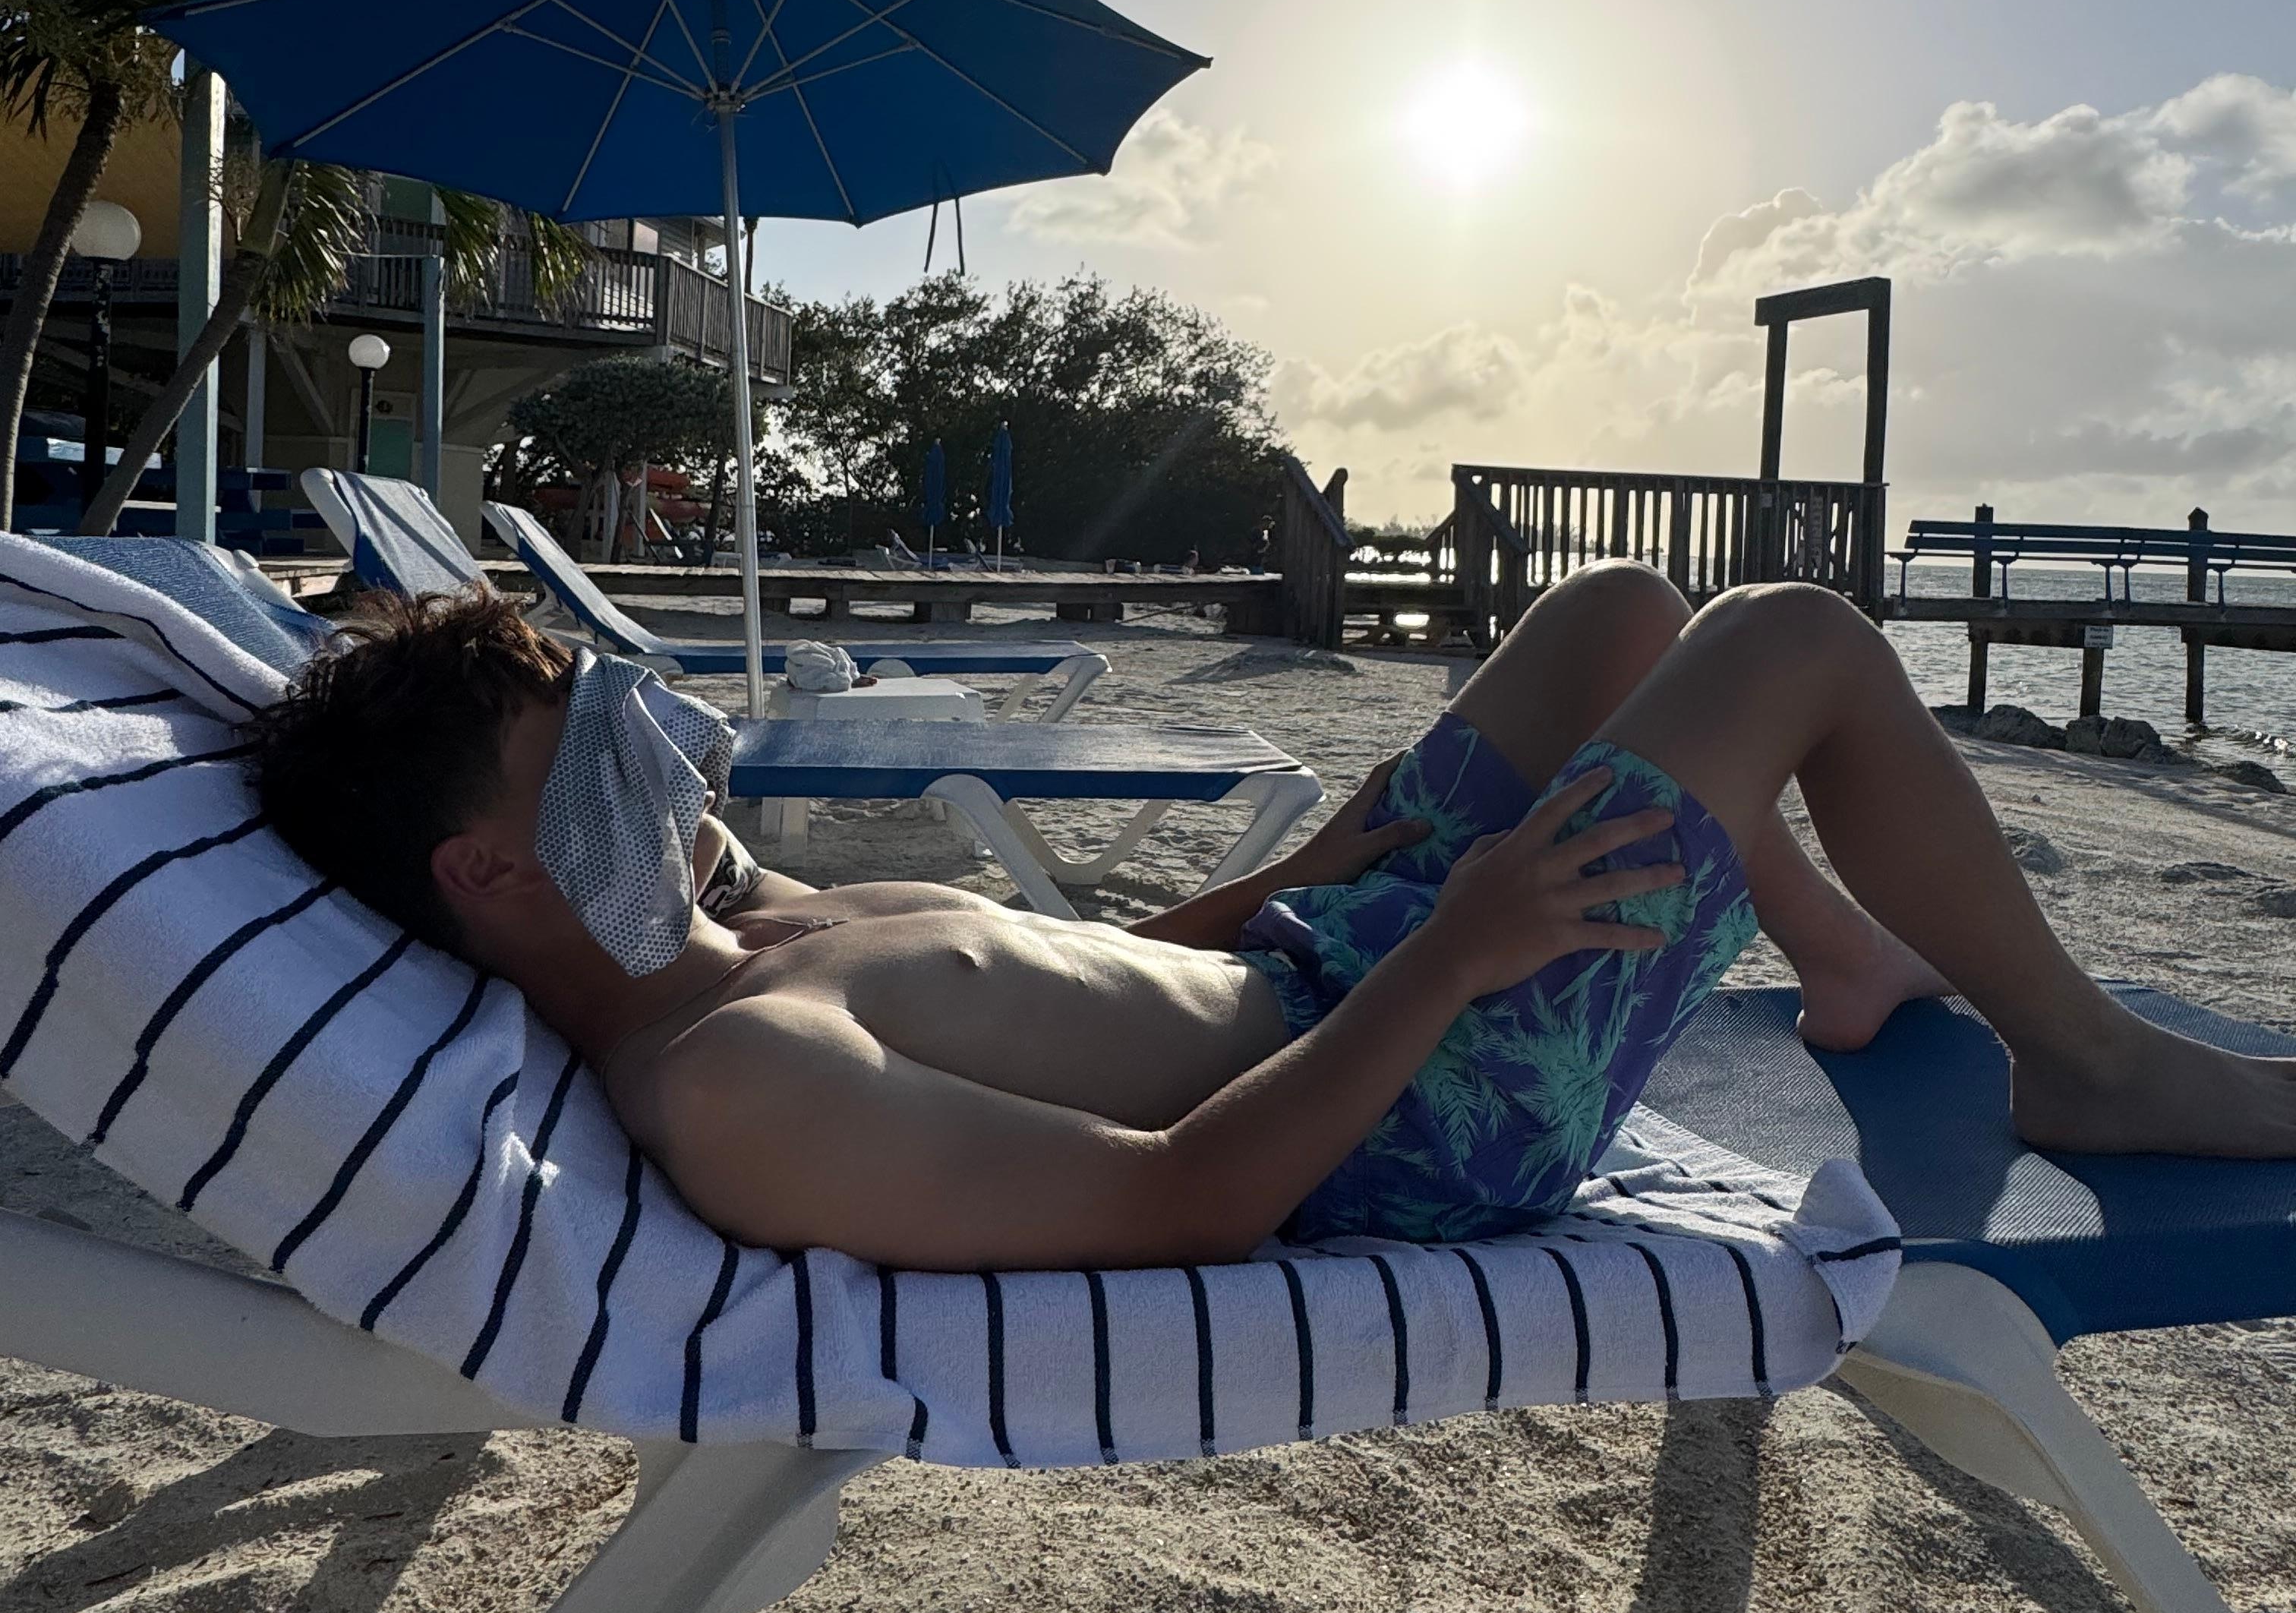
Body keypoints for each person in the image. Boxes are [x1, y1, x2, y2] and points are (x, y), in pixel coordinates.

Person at [244, 565, 2296, 1273]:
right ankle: (2093, 1065)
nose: (657, 752)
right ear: (491, 882)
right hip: (1423, 1117)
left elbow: (1130, 971)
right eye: (588, 756)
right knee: (1793, 642)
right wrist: (1458, 939)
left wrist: (1357, 865)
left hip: (1335, 970)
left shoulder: (738, 916)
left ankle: (1848, 962)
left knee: (1617, 624)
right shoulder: (736, 1083)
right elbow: (1182, 1205)